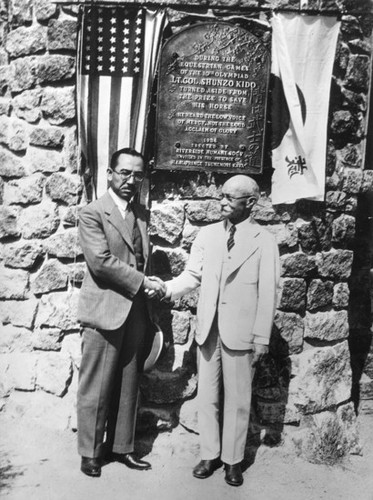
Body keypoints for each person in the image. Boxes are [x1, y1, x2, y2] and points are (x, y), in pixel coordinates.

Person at [163, 175, 280, 487]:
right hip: (208, 331)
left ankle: (233, 460)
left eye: (231, 198)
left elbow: (269, 292)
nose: (223, 202)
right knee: (208, 397)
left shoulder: (264, 241)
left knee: (239, 399)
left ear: (251, 203)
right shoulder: (208, 234)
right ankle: (209, 453)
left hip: (241, 333)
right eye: (222, 196)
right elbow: (191, 276)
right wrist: (164, 289)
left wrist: (261, 338)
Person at [76, 147, 164, 478]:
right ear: (110, 174)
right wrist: (143, 282)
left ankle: (122, 447)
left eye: (137, 174)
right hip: (104, 309)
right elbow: (100, 262)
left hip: (136, 313)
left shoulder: (141, 214)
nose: (131, 180)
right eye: (124, 173)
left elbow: (142, 257)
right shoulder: (93, 212)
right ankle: (90, 451)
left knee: (129, 381)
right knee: (96, 385)